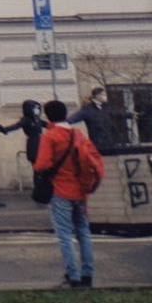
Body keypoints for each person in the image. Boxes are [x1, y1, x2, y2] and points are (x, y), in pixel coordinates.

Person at [35, 99, 100, 288]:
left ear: (48, 116)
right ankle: (88, 274)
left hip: (61, 190)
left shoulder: (51, 136)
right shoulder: (77, 134)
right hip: (80, 190)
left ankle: (73, 276)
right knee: (84, 233)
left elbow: (42, 164)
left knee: (64, 234)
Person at [67, 86, 131, 154]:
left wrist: (131, 115)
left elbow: (117, 113)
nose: (106, 97)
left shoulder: (105, 108)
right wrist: (60, 122)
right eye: (104, 95)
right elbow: (73, 119)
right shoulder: (88, 110)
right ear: (97, 96)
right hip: (97, 145)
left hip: (110, 143)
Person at [8, 99, 46, 167]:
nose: (37, 110)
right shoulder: (26, 120)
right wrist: (5, 129)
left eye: (38, 108)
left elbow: (47, 125)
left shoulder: (37, 120)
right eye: (35, 108)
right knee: (37, 166)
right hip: (33, 144)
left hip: (41, 142)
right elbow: (17, 126)